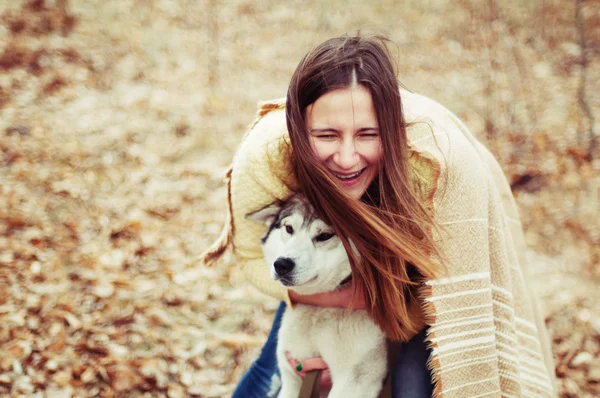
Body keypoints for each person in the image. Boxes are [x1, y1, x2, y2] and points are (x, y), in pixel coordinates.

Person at [201, 34, 556, 397]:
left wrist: (375, 310)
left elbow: (451, 291)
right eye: (326, 135)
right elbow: (250, 257)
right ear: (298, 130)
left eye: (368, 134)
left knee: (414, 381)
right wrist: (339, 300)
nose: (347, 158)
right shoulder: (266, 158)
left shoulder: (436, 171)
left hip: (418, 278)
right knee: (281, 368)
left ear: (391, 129)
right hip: (323, 269)